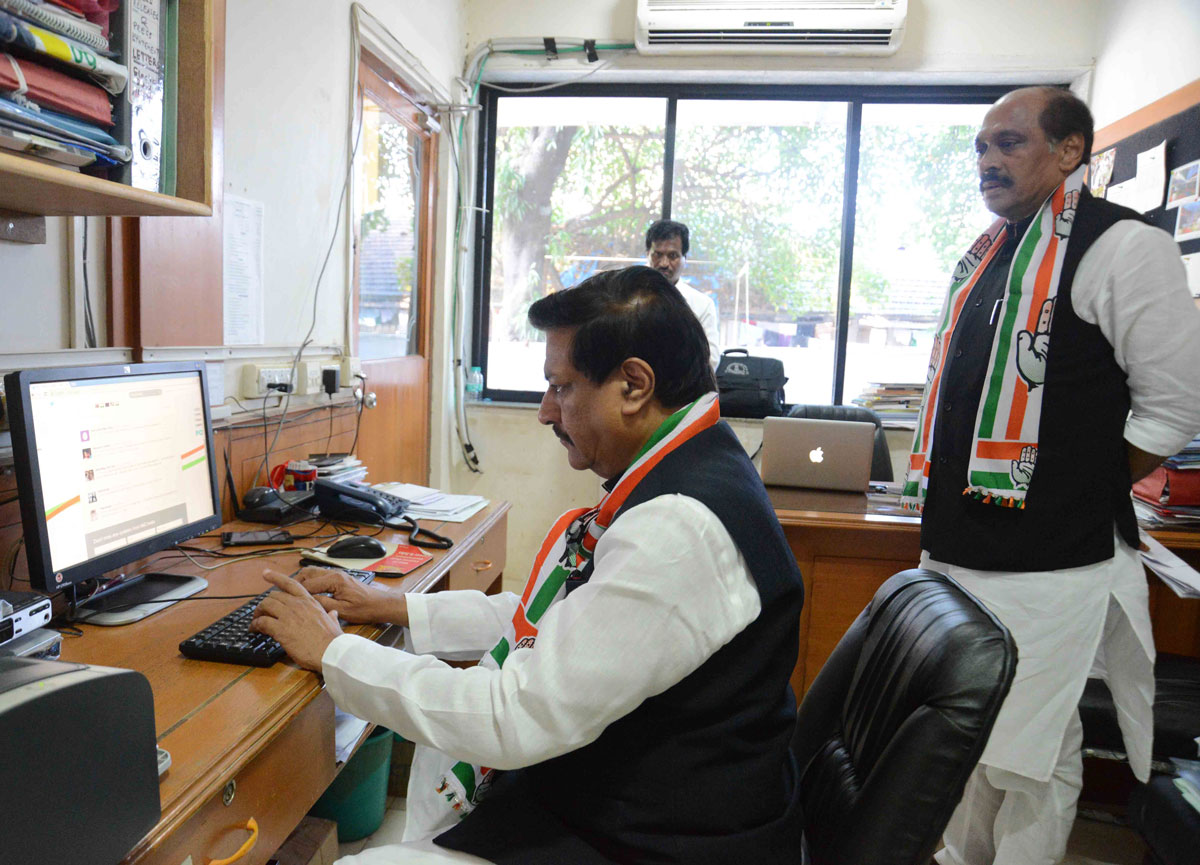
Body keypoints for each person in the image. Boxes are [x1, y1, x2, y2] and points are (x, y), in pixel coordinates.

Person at [252, 265, 804, 865]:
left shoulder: (677, 528)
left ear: (634, 386)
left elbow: (511, 715)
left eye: (560, 388)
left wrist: (335, 653)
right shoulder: (695, 464)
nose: (545, 411)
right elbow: (570, 621)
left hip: (653, 843)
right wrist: (395, 606)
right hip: (632, 806)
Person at [901, 86, 1200, 865]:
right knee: (966, 741)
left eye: (1009, 142)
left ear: (1070, 152)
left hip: (1053, 560)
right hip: (959, 551)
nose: (987, 160)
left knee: (1029, 753)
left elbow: (1175, 406)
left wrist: (1083, 482)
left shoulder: (1123, 246)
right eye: (980, 146)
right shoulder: (991, 253)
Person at [645, 219, 721, 371]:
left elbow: (711, 360)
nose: (664, 263)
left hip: (682, 384)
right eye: (657, 255)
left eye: (673, 256)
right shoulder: (628, 297)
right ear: (648, 255)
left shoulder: (702, 305)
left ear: (684, 258)